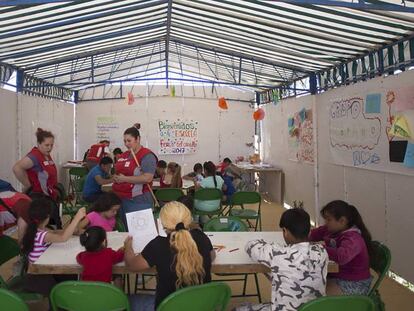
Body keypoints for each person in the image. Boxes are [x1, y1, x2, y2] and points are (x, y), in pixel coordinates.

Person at [124, 201, 215, 310]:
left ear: (162, 224)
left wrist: (128, 246)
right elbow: (212, 256)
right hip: (202, 305)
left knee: (128, 299)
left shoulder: (157, 244)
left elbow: (131, 265)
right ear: (189, 219)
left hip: (169, 307)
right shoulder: (201, 236)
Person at [238, 208, 328, 311]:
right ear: (309, 231)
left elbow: (250, 246)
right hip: (313, 308)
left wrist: (267, 244)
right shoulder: (321, 251)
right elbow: (294, 273)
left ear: (285, 231)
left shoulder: (277, 252)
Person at [21, 198, 85, 295]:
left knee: (70, 276)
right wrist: (77, 218)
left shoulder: (35, 229)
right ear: (47, 217)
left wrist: (73, 230)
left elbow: (55, 232)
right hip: (40, 275)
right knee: (69, 278)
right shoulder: (42, 235)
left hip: (39, 270)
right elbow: (63, 238)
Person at [309, 200, 373, 296]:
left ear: (342, 221)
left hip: (353, 283)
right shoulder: (335, 229)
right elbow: (315, 234)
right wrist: (302, 233)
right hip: (338, 275)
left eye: (328, 219)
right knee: (307, 284)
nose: (326, 223)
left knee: (314, 295)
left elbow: (341, 257)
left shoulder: (353, 238)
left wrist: (321, 247)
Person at [13, 128, 61, 228]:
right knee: (45, 227)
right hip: (39, 198)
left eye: (51, 145)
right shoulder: (34, 156)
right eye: (47, 145)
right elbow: (17, 168)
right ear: (39, 144)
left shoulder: (46, 155)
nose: (50, 148)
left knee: (53, 225)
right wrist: (28, 184)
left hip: (49, 196)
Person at [112, 124, 157, 226]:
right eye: (125, 141)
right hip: (122, 199)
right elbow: (117, 172)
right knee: (127, 230)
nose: (126, 144)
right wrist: (115, 177)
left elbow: (147, 178)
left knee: (139, 231)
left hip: (138, 200)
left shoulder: (147, 156)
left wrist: (124, 179)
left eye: (129, 141)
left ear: (138, 139)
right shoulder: (124, 155)